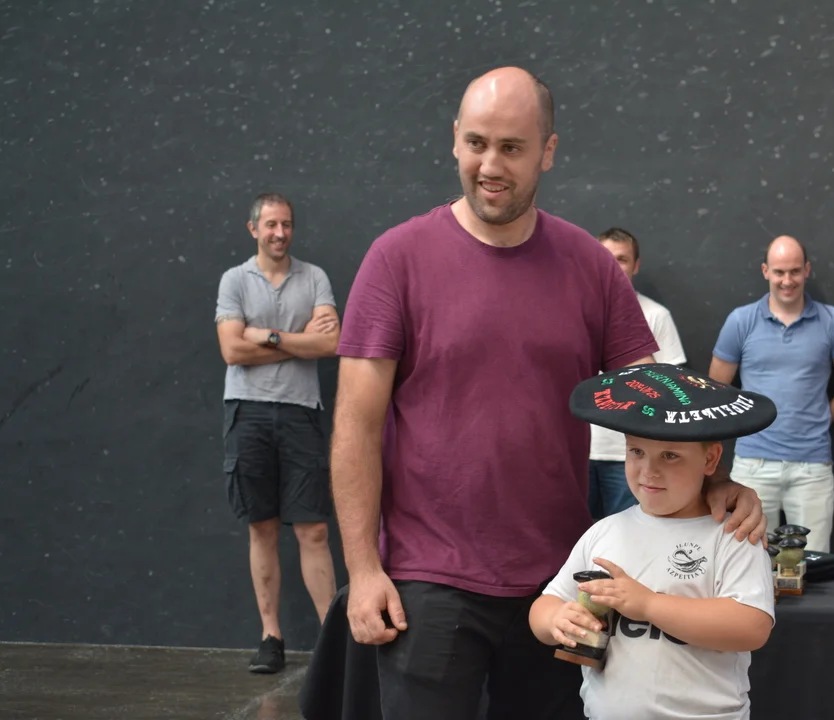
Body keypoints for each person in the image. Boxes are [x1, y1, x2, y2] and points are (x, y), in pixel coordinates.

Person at [329, 66, 766, 720]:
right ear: (454, 138)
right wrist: (363, 571)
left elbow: (656, 406)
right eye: (476, 143)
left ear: (548, 151)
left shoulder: (588, 266)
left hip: (558, 579)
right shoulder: (397, 259)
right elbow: (355, 428)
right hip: (430, 577)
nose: (489, 165)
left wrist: (717, 483)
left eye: (511, 147)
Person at [531, 364, 777, 720]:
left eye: (670, 455)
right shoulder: (604, 532)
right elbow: (547, 603)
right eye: (636, 452)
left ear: (710, 458)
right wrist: (556, 618)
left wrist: (648, 605)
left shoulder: (733, 534)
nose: (649, 470)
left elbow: (751, 627)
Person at [214, 192, 340, 673]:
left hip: (301, 413)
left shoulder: (315, 278)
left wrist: (262, 335)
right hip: (246, 412)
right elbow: (232, 351)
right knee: (262, 527)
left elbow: (331, 343)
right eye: (270, 225)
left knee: (314, 529)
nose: (279, 233)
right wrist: (298, 341)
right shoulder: (234, 280)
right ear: (254, 229)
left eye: (286, 224)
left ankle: (333, 642)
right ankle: (271, 637)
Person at [708, 235, 834, 552]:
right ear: (765, 271)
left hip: (812, 468)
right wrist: (747, 423)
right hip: (753, 464)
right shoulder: (741, 321)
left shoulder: (832, 321)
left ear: (807, 270)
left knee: (813, 565)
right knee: (747, 562)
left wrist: (817, 419)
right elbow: (715, 389)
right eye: (779, 272)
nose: (787, 280)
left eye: (794, 271)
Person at [588, 227, 687, 520]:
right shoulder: (575, 311)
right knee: (575, 538)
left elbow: (670, 390)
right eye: (606, 257)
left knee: (627, 536)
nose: (614, 266)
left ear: (636, 265)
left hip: (628, 456)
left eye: (622, 259)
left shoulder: (656, 316)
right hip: (579, 451)